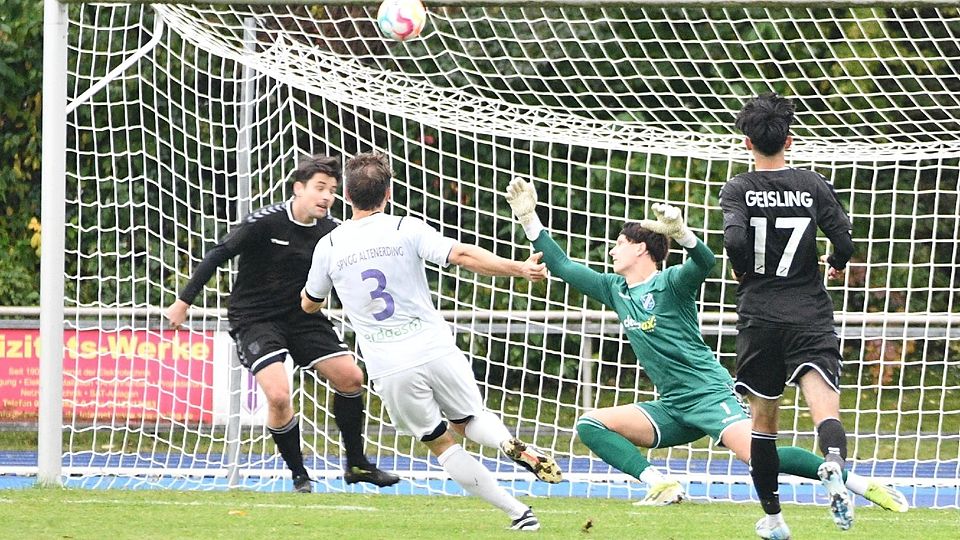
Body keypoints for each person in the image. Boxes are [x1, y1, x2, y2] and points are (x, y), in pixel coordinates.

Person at [505, 178, 907, 537]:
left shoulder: (671, 282)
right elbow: (561, 265)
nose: (611, 250)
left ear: (641, 248)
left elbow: (706, 262)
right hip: (672, 405)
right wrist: (528, 220)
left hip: (708, 394)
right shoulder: (615, 289)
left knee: (757, 454)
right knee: (591, 425)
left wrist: (684, 235)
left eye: (619, 243)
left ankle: (857, 484)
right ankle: (659, 484)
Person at [301, 151, 562, 532]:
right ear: (387, 194)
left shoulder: (330, 245)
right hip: (434, 346)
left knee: (441, 443)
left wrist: (311, 298)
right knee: (470, 417)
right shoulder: (406, 228)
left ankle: (518, 513)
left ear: (348, 196)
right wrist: (518, 268)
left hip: (390, 365)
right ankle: (505, 442)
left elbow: (311, 302)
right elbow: (462, 254)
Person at [166, 154, 398, 493]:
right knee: (277, 395)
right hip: (255, 319)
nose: (326, 197)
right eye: (319, 188)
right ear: (298, 189)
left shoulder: (331, 233)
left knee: (351, 378)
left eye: (332, 190)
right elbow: (218, 254)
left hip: (303, 318)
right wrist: (183, 302)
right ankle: (299, 474)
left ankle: (358, 464)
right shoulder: (265, 223)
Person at [720, 92, 859, 538]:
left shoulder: (738, 188)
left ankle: (775, 520)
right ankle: (833, 464)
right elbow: (846, 241)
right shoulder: (813, 185)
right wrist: (836, 263)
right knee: (824, 407)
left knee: (764, 424)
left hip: (760, 315)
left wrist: (745, 273)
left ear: (747, 143)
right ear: (790, 140)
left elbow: (735, 241)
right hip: (809, 312)